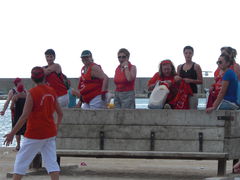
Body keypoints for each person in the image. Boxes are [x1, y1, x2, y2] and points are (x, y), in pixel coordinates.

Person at [4, 66, 63, 180]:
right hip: (50, 133)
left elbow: (24, 116)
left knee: (21, 160)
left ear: (32, 79)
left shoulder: (32, 93)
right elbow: (60, 113)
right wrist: (56, 127)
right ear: (44, 77)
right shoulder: (52, 91)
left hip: (34, 133)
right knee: (51, 162)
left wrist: (12, 133)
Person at [0, 77, 24, 151]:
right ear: (17, 83)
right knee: (16, 128)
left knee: (25, 128)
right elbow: (7, 101)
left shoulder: (25, 91)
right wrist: (3, 110)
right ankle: (18, 145)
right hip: (15, 112)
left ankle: (25, 145)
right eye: (20, 82)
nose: (22, 83)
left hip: (24, 112)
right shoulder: (12, 91)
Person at [10, 84, 27, 151]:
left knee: (17, 131)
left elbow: (11, 107)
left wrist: (14, 109)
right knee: (25, 131)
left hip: (17, 115)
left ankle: (18, 145)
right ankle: (25, 145)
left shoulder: (15, 96)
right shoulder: (27, 96)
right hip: (25, 115)